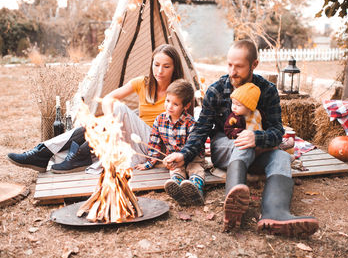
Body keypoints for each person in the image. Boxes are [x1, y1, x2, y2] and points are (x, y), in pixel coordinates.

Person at [164, 39, 319, 237]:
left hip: (258, 149)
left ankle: (275, 214)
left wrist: (257, 137)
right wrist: (184, 155)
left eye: (239, 66)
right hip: (225, 148)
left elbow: (277, 131)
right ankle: (233, 200)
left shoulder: (268, 91)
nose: (232, 71)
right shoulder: (216, 90)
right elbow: (201, 129)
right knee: (242, 142)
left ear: (254, 64)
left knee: (281, 158)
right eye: (229, 65)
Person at [7, 44, 185, 173]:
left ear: (174, 67)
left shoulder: (180, 90)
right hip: (133, 138)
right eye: (156, 64)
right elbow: (107, 99)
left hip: (155, 145)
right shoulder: (143, 83)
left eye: (166, 66)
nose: (159, 71)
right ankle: (43, 152)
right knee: (98, 123)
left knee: (120, 109)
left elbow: (186, 126)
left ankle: (62, 155)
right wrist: (110, 120)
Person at [135, 79, 205, 206]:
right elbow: (154, 143)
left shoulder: (191, 123)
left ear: (186, 106)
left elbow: (194, 146)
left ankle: (195, 189)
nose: (169, 106)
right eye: (167, 101)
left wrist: (186, 157)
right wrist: (149, 163)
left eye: (175, 104)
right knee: (176, 171)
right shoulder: (159, 120)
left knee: (195, 169)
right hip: (174, 159)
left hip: (192, 158)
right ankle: (177, 189)